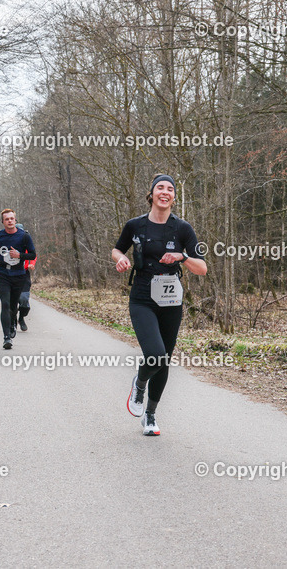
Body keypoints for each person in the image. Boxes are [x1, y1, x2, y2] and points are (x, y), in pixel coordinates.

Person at [112, 174, 206, 436]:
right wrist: (120, 259)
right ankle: (140, 383)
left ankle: (150, 415)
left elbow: (202, 268)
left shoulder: (183, 229)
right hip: (142, 296)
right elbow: (117, 249)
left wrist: (183, 255)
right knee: (154, 352)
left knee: (163, 360)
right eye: (160, 188)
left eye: (170, 189)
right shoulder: (135, 225)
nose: (165, 192)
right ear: (151, 194)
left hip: (171, 300)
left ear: (174, 197)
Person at [0, 210, 36, 349]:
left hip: (19, 274)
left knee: (13, 306)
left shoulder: (24, 236)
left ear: (15, 220)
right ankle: (6, 337)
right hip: (2, 274)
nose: (9, 221)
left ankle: (13, 321)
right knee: (6, 304)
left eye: (12, 218)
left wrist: (19, 255)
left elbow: (32, 255)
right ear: (3, 221)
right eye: (7, 219)